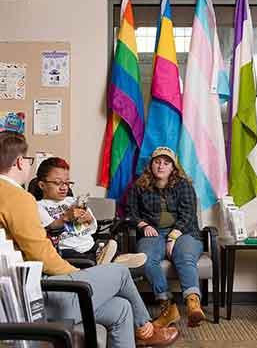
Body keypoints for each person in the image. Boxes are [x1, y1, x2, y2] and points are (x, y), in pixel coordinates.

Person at [0, 131, 178, 348]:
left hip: (27, 291)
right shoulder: (18, 198)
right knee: (120, 272)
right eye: (28, 160)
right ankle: (145, 329)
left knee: (121, 308)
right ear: (19, 162)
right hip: (34, 297)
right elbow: (41, 254)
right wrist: (80, 276)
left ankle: (142, 328)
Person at [125, 146, 205, 328]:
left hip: (184, 232)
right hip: (153, 232)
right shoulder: (139, 186)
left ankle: (193, 304)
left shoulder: (183, 184)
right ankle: (167, 307)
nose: (161, 166)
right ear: (151, 165)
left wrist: (173, 236)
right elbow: (130, 212)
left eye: (166, 163)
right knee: (146, 260)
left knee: (184, 257)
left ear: (173, 168)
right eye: (157, 162)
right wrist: (143, 224)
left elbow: (188, 214)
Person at [28, 157, 147, 268]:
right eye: (58, 183)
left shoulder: (73, 201)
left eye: (67, 183)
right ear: (42, 185)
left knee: (107, 246)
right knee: (82, 256)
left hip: (90, 245)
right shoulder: (38, 206)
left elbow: (93, 229)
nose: (64, 187)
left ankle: (112, 259)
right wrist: (66, 218)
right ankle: (110, 262)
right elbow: (49, 229)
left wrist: (88, 219)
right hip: (66, 249)